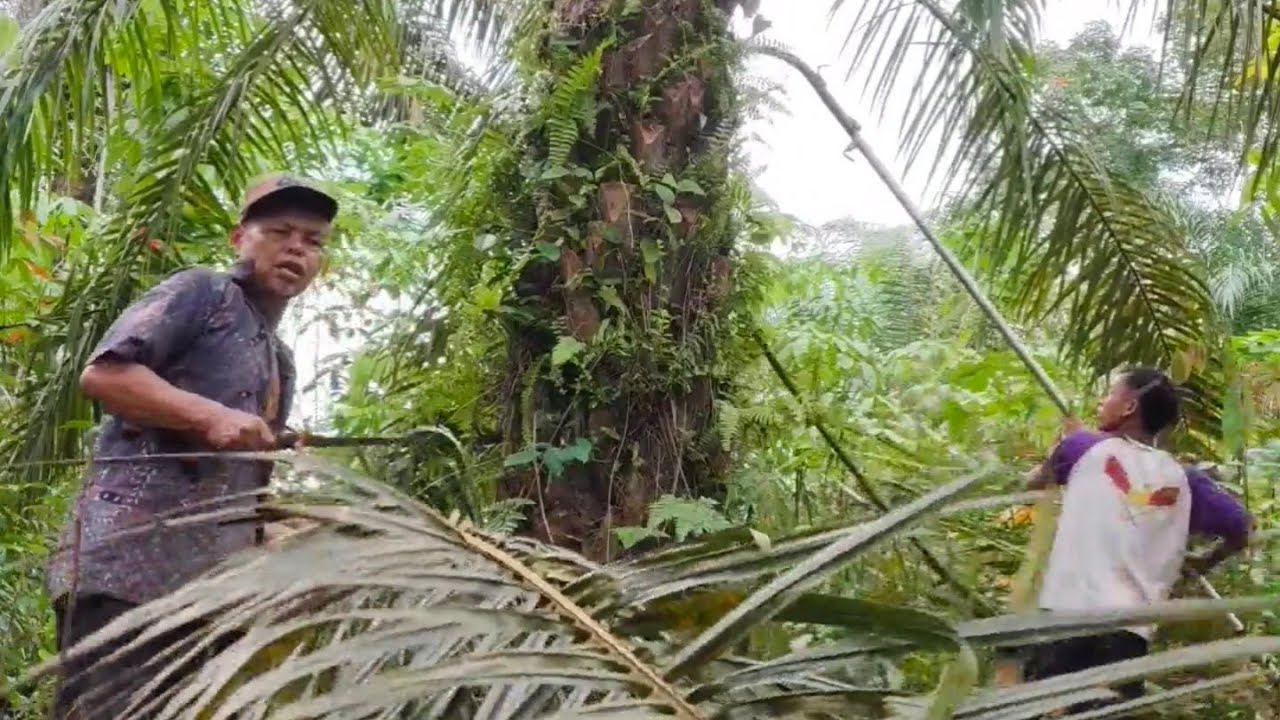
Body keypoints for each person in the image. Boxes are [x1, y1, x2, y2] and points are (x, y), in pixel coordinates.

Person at [44, 174, 337, 719]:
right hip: (127, 573)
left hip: (207, 598)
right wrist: (210, 415)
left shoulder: (281, 360)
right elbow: (105, 376)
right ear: (239, 239)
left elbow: (240, 480)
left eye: (313, 241)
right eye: (279, 231)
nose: (297, 247)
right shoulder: (203, 293)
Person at [1021, 367, 1252, 713]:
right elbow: (1242, 528)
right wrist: (1203, 562)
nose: (1102, 401)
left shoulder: (1083, 447)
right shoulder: (1184, 480)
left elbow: (1032, 483)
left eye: (1111, 393)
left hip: (1069, 619)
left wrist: (1062, 447)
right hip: (1129, 635)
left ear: (1128, 408)